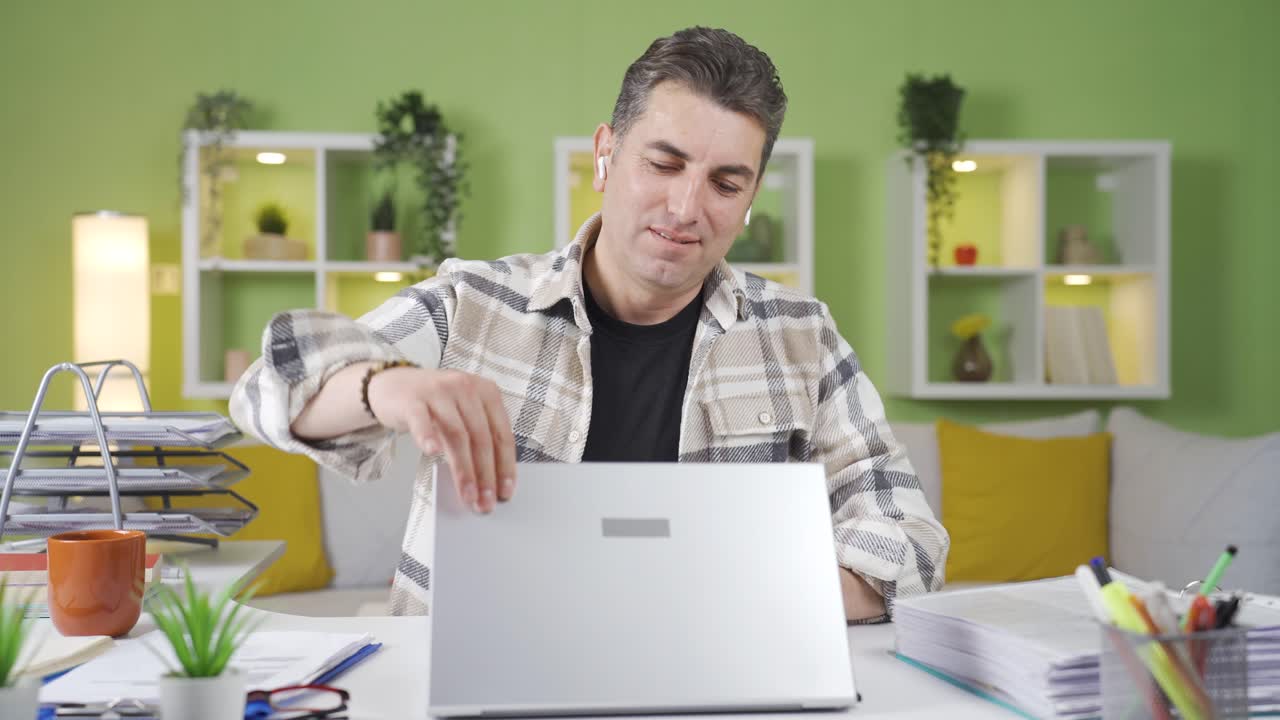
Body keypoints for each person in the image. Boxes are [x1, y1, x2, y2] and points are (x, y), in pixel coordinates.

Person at [230, 26, 948, 621]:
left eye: (726, 183)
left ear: (752, 193)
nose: (685, 207)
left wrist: (740, 593)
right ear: (605, 155)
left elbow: (912, 544)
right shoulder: (474, 304)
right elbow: (268, 390)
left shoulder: (802, 335)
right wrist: (385, 388)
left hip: (716, 681)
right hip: (484, 673)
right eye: (663, 164)